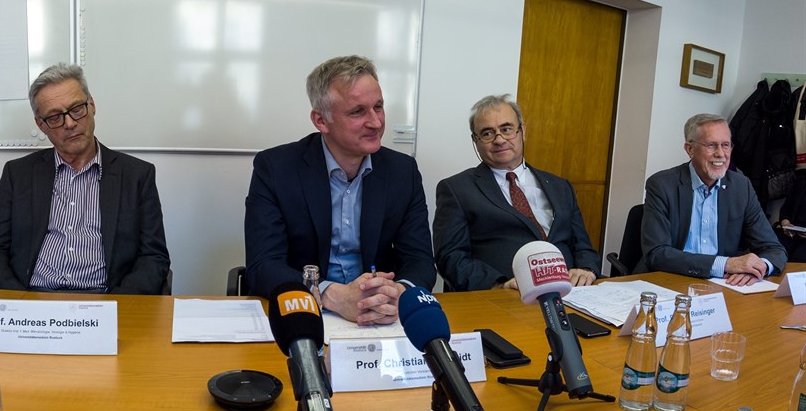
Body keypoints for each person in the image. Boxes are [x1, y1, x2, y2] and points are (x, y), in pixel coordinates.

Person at [244, 55, 435, 326]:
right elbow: (263, 265)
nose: (376, 122)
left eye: (378, 107)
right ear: (321, 121)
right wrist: (332, 295)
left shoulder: (402, 172)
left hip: (377, 316)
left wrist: (398, 293)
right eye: (358, 112)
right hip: (303, 313)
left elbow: (420, 260)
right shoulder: (276, 168)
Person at [0, 64, 171, 294]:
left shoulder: (137, 175)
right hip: (33, 299)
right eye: (55, 117)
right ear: (41, 125)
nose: (69, 123)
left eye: (77, 109)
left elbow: (153, 257)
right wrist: (20, 303)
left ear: (92, 105)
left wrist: (117, 307)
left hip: (105, 299)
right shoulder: (17, 174)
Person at [433, 95, 601, 291]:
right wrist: (499, 285)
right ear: (475, 140)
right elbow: (451, 258)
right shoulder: (457, 189)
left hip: (570, 292)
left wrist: (586, 269)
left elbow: (583, 246)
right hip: (506, 297)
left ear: (523, 131)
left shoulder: (561, 187)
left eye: (506, 129)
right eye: (487, 133)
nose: (499, 140)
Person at [635, 113, 787, 285]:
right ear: (689, 149)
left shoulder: (741, 187)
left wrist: (759, 269)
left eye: (726, 145)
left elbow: (774, 249)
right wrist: (725, 264)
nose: (720, 154)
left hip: (722, 286)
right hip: (669, 281)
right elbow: (657, 254)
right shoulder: (662, 185)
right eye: (711, 145)